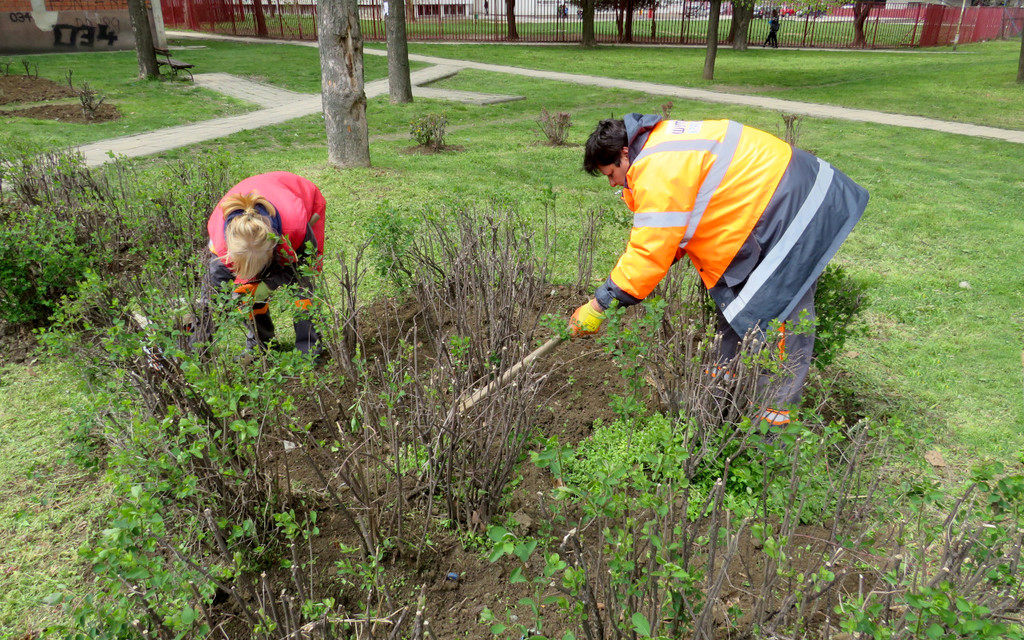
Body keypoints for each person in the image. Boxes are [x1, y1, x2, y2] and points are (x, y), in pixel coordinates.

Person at [570, 114, 869, 429]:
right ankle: (714, 406)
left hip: (789, 214)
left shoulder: (656, 167)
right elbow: (672, 235)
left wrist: (599, 305)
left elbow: (649, 251)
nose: (613, 183)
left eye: (611, 173)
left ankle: (771, 441)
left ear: (625, 154)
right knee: (737, 312)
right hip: (771, 207)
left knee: (779, 326)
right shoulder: (662, 145)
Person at [190, 171, 326, 357]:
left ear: (273, 248)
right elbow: (211, 300)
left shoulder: (295, 227)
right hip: (261, 215)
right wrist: (194, 350)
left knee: (303, 290)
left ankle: (309, 348)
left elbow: (306, 267)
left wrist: (269, 283)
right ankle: (260, 345)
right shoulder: (220, 244)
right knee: (247, 292)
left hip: (298, 195)